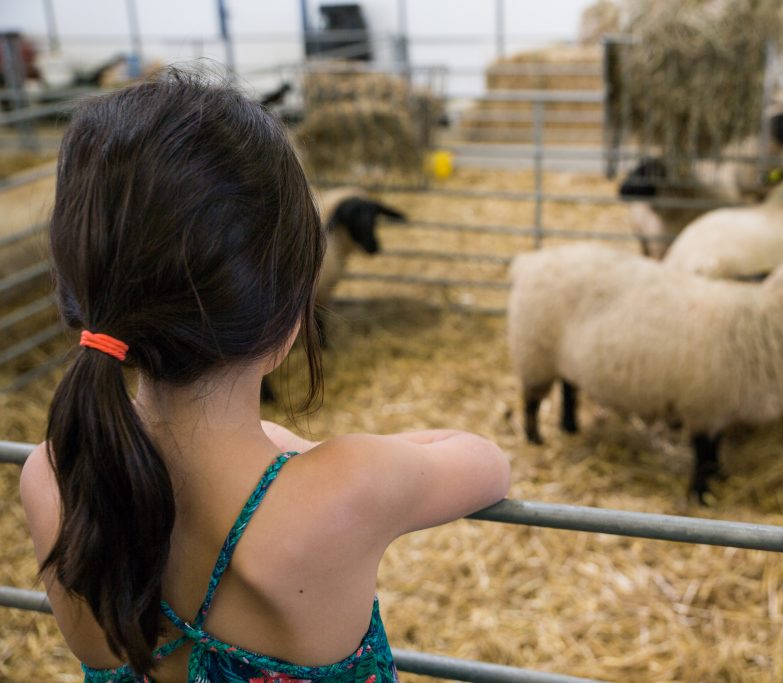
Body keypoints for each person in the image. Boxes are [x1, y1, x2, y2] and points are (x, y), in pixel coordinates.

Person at [18, 69, 511, 683]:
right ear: (287, 320)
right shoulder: (347, 487)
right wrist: (306, 452)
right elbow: (486, 461)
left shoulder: (52, 473)